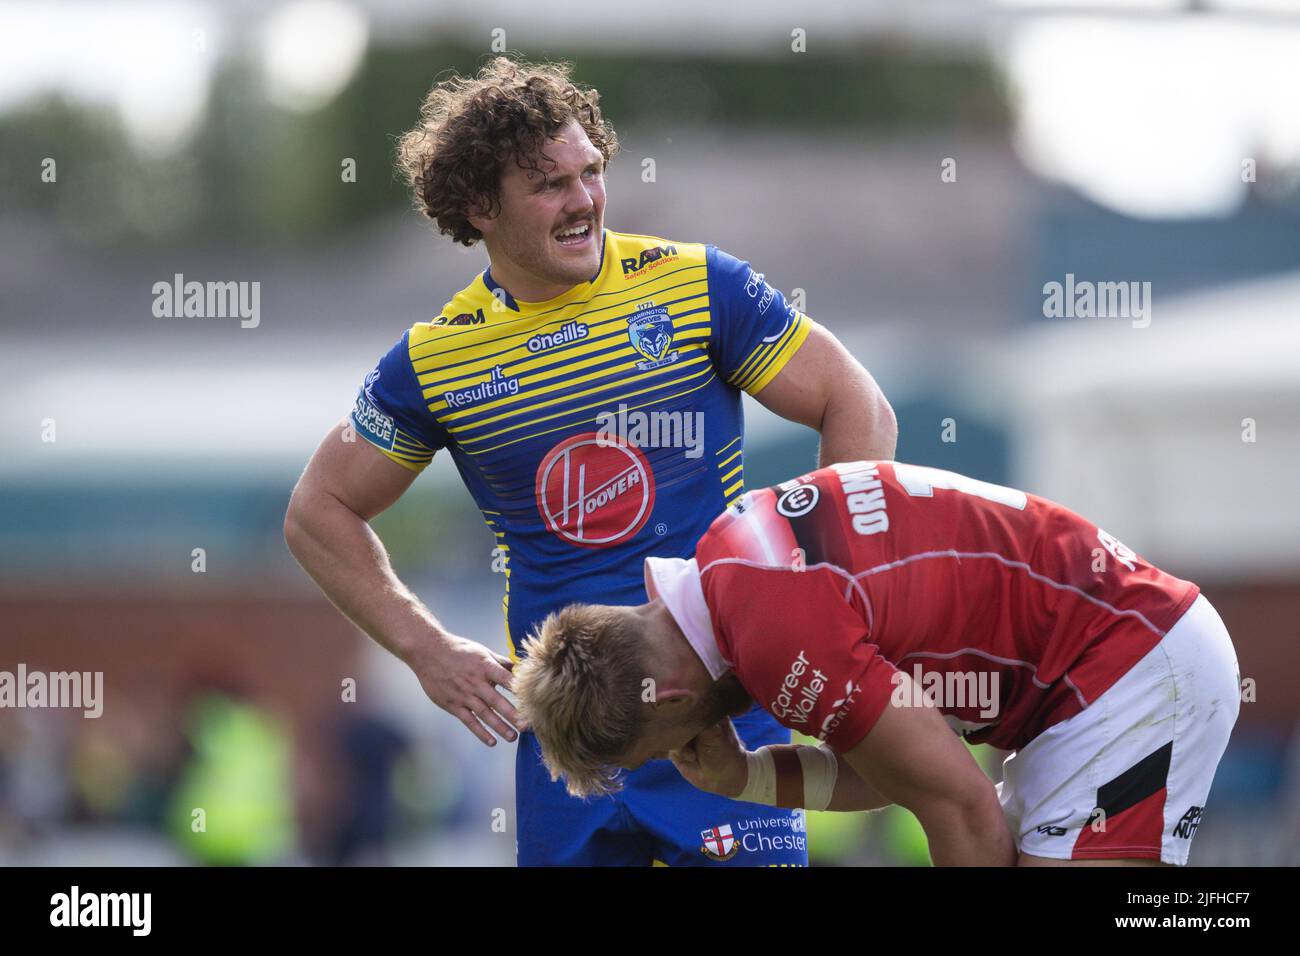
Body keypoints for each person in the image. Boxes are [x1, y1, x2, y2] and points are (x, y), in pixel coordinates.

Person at [283, 57, 897, 866]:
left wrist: (814, 590)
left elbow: (857, 405)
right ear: (479, 207)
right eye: (548, 184)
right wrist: (424, 647)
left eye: (591, 171)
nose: (583, 200)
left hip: (722, 717)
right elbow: (318, 512)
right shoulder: (435, 362)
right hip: (568, 746)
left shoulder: (692, 286)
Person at [514, 460, 1241, 866]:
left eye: (665, 748)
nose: (687, 754)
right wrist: (744, 776)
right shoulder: (728, 565)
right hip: (1109, 665)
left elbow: (961, 810)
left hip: (1131, 668)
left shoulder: (775, 639)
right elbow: (902, 767)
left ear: (669, 699)